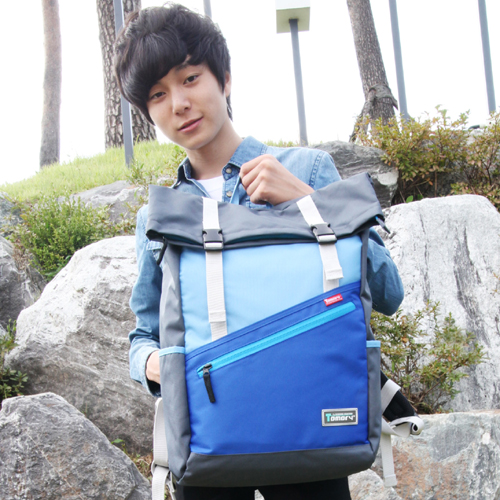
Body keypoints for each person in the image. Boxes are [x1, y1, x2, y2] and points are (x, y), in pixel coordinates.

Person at [114, 4, 404, 500]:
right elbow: (144, 336)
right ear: (148, 112)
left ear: (224, 79)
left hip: (308, 435)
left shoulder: (307, 170)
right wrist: (154, 366)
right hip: (209, 445)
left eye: (190, 78)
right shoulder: (159, 217)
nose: (179, 103)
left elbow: (388, 292)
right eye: (158, 95)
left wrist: (309, 203)